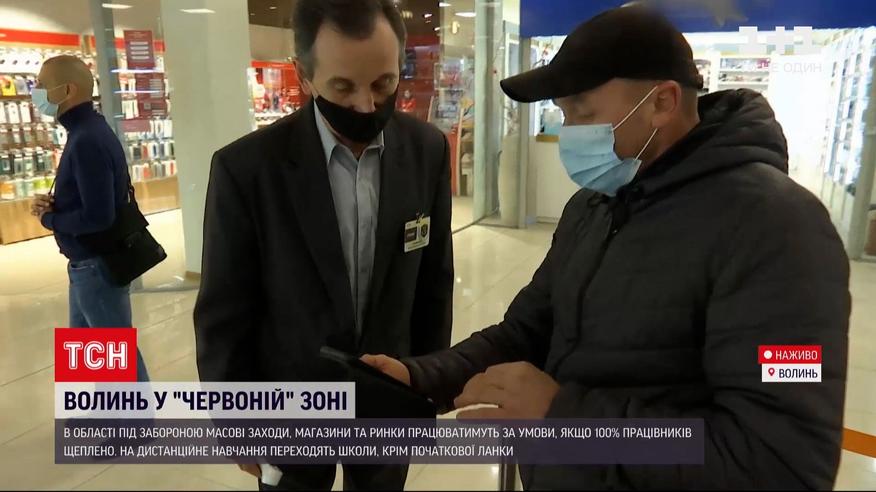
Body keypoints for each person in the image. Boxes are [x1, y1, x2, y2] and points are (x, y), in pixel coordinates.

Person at [363, 6, 850, 490]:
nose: (570, 131)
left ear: (662, 102)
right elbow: (527, 331)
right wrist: (420, 377)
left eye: (584, 112)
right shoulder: (595, 204)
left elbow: (780, 461)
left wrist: (566, 421)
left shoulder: (780, 229)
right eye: (563, 114)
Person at [193, 0, 454, 489]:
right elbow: (224, 310)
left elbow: (432, 284)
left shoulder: (427, 151)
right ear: (305, 76)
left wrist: (428, 385)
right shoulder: (247, 169)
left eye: (383, 84)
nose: (366, 105)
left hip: (388, 398)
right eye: (343, 87)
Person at [31, 55, 150, 383]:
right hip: (87, 265)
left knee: (114, 361)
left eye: (41, 85)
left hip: (96, 265)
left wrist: (50, 219)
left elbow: (98, 216)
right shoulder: (88, 130)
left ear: (67, 90)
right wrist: (57, 205)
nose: (35, 92)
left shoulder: (86, 139)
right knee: (95, 356)